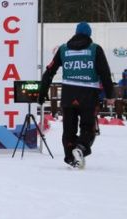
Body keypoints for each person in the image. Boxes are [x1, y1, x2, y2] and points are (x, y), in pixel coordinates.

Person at [38, 22, 115, 168]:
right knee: (88, 127)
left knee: (69, 129)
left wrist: (42, 93)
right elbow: (105, 73)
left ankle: (70, 157)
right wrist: (110, 95)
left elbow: (49, 71)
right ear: (89, 34)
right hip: (88, 96)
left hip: (68, 95)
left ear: (76, 33)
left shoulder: (63, 49)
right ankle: (80, 148)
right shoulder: (95, 49)